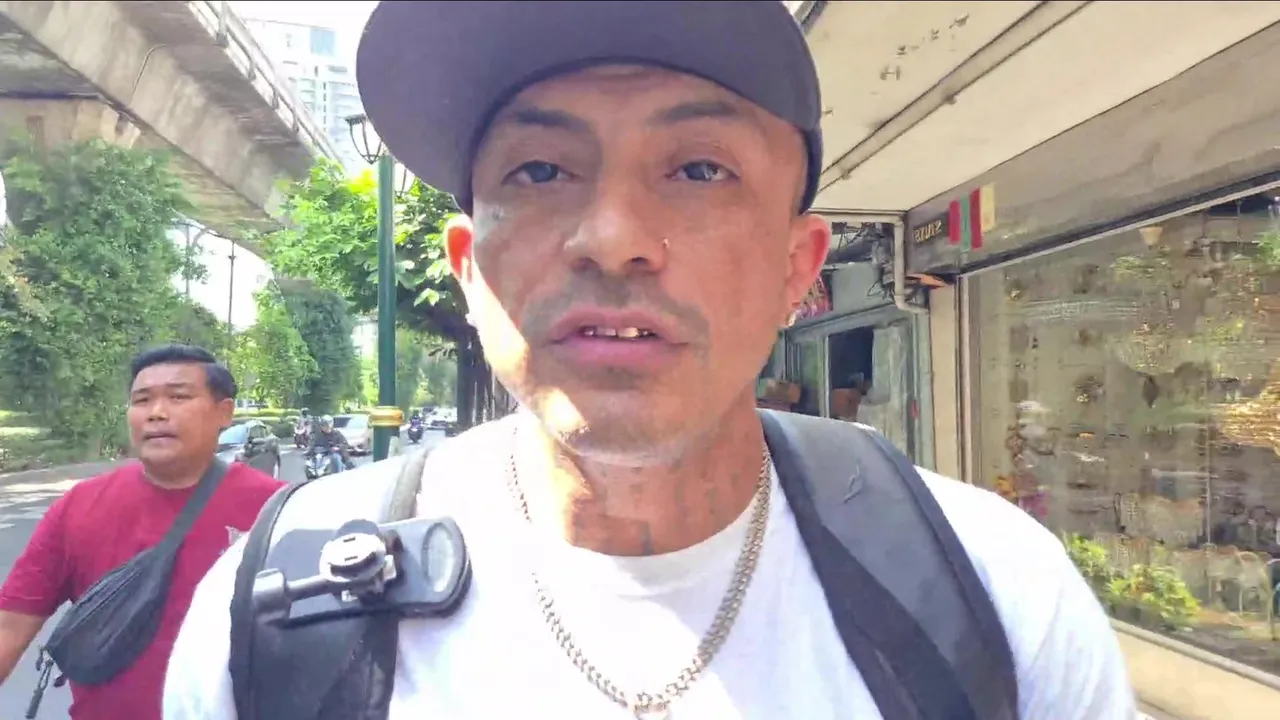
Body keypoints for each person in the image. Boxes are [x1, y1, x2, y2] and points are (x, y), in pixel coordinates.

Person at [164, 3, 1135, 719]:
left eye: (699, 169)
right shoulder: (283, 612)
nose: (612, 237)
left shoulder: (995, 593)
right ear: (469, 270)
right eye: (539, 171)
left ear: (797, 269)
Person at [0, 344, 283, 720]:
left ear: (224, 412)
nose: (156, 413)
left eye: (178, 397)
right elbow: (9, 627)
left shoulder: (278, 510)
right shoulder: (78, 507)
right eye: (142, 400)